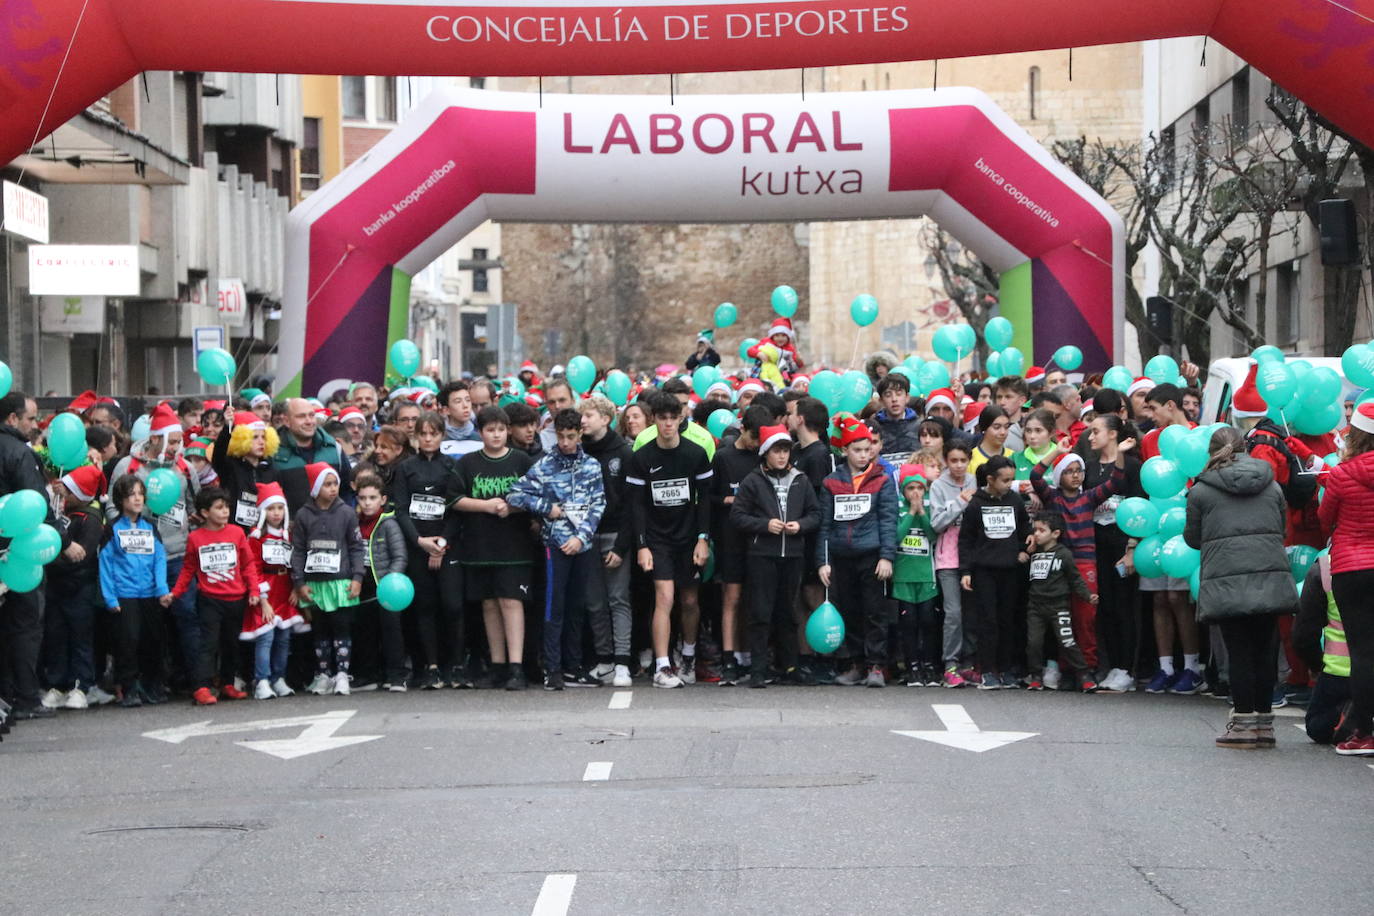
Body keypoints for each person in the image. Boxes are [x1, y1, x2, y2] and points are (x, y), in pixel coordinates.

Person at [1185, 425, 1296, 749]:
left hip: (1227, 580)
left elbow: (1193, 537)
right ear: (1245, 449)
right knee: (1264, 651)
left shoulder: (1201, 490)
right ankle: (1264, 725)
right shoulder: (1271, 485)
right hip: (1269, 575)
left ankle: (1243, 723)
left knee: (1239, 653)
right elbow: (1282, 528)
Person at [508, 408, 607, 690]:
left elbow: (598, 504)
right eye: (561, 437)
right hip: (555, 545)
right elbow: (515, 493)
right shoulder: (544, 465)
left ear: (579, 435)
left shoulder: (591, 466)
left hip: (582, 545)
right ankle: (553, 669)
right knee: (555, 608)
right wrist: (545, 508)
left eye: (571, 437)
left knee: (578, 607)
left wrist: (582, 537)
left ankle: (573, 667)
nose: (565, 442)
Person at [625, 392, 713, 688]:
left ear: (680, 419)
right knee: (664, 597)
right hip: (657, 538)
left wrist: (703, 539)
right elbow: (635, 505)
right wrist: (642, 545)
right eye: (661, 419)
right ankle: (662, 666)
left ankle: (688, 654)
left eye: (672, 419)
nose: (667, 425)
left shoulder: (695, 454)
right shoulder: (642, 457)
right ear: (655, 421)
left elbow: (705, 501)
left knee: (689, 599)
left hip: (688, 537)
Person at [1028, 441, 1131, 688]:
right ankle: (1066, 668)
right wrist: (1058, 450)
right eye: (1069, 471)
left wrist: (1119, 454)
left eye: (1079, 471)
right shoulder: (1052, 497)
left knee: (1085, 615)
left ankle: (1088, 666)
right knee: (1063, 616)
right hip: (1057, 562)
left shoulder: (1088, 498)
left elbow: (1116, 482)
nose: (1075, 475)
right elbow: (1035, 476)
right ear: (1059, 475)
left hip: (1085, 562)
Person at [730, 425, 819, 687]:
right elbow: (738, 515)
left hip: (792, 554)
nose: (781, 457)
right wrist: (763, 525)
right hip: (762, 554)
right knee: (760, 612)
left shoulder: (800, 479)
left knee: (788, 612)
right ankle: (758, 668)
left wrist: (801, 525)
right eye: (776, 451)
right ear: (765, 453)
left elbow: (815, 513)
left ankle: (790, 665)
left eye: (785, 451)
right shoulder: (753, 480)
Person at [454, 406, 536, 690]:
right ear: (481, 433)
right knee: (489, 604)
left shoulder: (521, 461)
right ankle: (498, 664)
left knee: (511, 602)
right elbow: (455, 499)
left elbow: (535, 497)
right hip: (479, 545)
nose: (497, 434)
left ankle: (517, 666)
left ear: (508, 430)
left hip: (514, 546)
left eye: (501, 429)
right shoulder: (467, 463)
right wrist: (486, 505)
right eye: (490, 430)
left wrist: (512, 508)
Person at [818, 416, 897, 688]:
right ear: (845, 451)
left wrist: (887, 556)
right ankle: (854, 664)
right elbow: (824, 525)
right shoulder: (831, 482)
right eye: (858, 450)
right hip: (841, 556)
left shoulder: (883, 480)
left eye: (868, 449)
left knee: (874, 612)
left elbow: (889, 521)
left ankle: (876, 665)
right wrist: (823, 561)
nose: (864, 455)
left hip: (871, 555)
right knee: (848, 611)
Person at [391, 412, 466, 690]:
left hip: (447, 546)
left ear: (442, 435)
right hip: (418, 545)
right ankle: (431, 666)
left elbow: (457, 508)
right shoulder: (406, 468)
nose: (428, 438)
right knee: (425, 607)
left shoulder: (451, 466)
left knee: (453, 605)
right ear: (416, 437)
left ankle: (456, 665)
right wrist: (420, 541)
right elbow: (400, 509)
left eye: (433, 433)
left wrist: (442, 544)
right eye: (423, 434)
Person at [169, 487, 263, 706]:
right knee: (208, 644)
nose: (225, 512)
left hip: (236, 598)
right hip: (210, 599)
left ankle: (227, 683)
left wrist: (254, 590)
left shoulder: (237, 533)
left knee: (231, 644)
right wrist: (175, 593)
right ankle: (201, 686)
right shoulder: (195, 538)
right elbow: (188, 569)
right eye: (219, 508)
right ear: (204, 512)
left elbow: (248, 564)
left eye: (227, 507)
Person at [1316, 401, 1374, 756]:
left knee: (1364, 654)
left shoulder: (1341, 473)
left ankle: (1363, 731)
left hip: (1352, 569)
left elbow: (1325, 520)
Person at [291, 464, 366, 697]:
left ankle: (342, 674)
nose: (333, 489)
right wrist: (299, 581)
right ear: (315, 487)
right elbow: (298, 550)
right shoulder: (303, 515)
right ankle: (324, 674)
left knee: (341, 628)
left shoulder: (346, 513)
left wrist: (357, 577)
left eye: (335, 484)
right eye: (327, 484)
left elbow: (355, 547)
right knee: (320, 630)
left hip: (340, 582)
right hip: (314, 584)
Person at [959, 455, 1032, 690]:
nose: (1008, 485)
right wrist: (966, 570)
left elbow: (1024, 529)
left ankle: (1007, 668)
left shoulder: (1015, 500)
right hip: (984, 571)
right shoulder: (976, 503)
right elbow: (966, 539)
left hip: (1010, 570)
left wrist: (1024, 549)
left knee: (1008, 620)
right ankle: (988, 669)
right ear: (990, 479)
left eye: (1011, 480)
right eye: (1004, 480)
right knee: (987, 621)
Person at [577, 395, 635, 688]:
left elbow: (630, 504)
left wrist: (622, 546)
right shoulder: (578, 451)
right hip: (587, 534)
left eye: (589, 415)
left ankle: (623, 661)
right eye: (582, 416)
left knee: (618, 598)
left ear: (605, 418)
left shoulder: (623, 452)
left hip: (614, 534)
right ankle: (604, 660)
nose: (583, 421)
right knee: (594, 601)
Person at [100, 475, 172, 708]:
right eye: (132, 494)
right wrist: (110, 597)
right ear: (121, 500)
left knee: (153, 640)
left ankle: (152, 685)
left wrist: (162, 589)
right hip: (125, 594)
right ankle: (129, 688)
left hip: (150, 594)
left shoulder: (150, 526)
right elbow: (105, 564)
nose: (138, 498)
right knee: (128, 642)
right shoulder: (112, 529)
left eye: (141, 493)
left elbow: (160, 559)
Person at [709, 405, 768, 684]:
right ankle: (729, 656)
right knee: (731, 598)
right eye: (754, 437)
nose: (757, 445)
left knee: (754, 600)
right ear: (742, 428)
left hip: (758, 538)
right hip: (730, 536)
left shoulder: (764, 459)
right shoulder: (723, 457)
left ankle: (750, 655)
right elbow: (709, 497)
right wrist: (728, 500)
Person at [1085, 414, 1144, 692]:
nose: (1091, 437)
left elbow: (1138, 505)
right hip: (1097, 544)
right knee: (1105, 606)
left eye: (1096, 431)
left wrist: (1132, 549)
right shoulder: (1088, 467)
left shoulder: (1132, 466)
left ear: (1113, 434)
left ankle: (1126, 668)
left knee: (1124, 607)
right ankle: (1112, 666)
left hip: (1123, 544)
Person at [41, 465, 107, 710]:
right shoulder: (62, 515)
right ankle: (57, 683)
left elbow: (82, 556)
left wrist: (52, 561)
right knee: (56, 636)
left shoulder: (90, 519)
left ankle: (81, 685)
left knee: (80, 637)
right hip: (57, 587)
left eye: (69, 491)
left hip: (79, 587)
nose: (64, 495)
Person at [242, 483, 304, 699]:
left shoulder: (289, 535)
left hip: (284, 590)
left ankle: (278, 678)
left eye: (279, 508)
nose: (276, 513)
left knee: (284, 638)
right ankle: (262, 680)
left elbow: (293, 564)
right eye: (271, 508)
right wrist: (263, 599)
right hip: (265, 592)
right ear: (262, 511)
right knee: (266, 637)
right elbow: (253, 567)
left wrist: (296, 588)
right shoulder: (256, 537)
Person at [1024, 513, 1099, 692]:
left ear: (1056, 533)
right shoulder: (1034, 551)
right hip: (1035, 606)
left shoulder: (1064, 554)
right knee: (1033, 642)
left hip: (1059, 607)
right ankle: (1035, 675)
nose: (1037, 534)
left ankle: (1084, 675)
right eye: (1035, 530)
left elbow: (1075, 579)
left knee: (1067, 641)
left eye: (1042, 530)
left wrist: (1088, 595)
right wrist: (1025, 552)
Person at [353, 473, 408, 692]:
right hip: (362, 585)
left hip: (387, 587)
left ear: (382, 500)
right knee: (365, 631)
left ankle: (396, 677)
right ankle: (369, 676)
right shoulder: (354, 523)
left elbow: (400, 556)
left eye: (372, 498)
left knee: (391, 632)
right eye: (363, 498)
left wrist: (390, 582)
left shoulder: (389, 524)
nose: (367, 503)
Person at [1292, 555, 1355, 746]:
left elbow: (1304, 634)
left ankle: (1357, 716)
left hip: (1340, 671)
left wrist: (1315, 665)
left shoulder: (1325, 567)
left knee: (1318, 727)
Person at [930, 440, 977, 687]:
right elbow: (936, 523)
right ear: (946, 461)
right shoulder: (938, 486)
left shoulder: (974, 481)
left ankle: (968, 662)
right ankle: (950, 663)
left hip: (972, 557)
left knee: (971, 612)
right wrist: (959, 502)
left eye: (963, 460)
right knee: (953, 613)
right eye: (953, 461)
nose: (959, 466)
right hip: (947, 558)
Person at [892, 464, 941, 687]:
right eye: (910, 488)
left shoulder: (929, 508)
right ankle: (911, 665)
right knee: (908, 622)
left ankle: (929, 664)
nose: (915, 493)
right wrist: (911, 512)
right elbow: (897, 536)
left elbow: (932, 535)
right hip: (903, 575)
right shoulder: (898, 508)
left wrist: (921, 513)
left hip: (926, 575)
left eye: (920, 488)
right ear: (903, 490)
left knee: (928, 621)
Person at [271, 398, 353, 512]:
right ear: (286, 421)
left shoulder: (334, 449)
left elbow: (347, 490)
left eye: (311, 415)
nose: (309, 421)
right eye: (301, 416)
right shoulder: (273, 453)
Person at [870, 373, 921, 457]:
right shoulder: (873, 428)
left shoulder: (920, 427)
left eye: (899, 394)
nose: (894, 399)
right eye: (888, 395)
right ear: (881, 400)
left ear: (907, 397)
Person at [968, 404, 1015, 479]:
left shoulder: (1013, 456)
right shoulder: (971, 459)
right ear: (984, 428)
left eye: (1006, 427)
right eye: (997, 427)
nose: (1003, 432)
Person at [993, 376, 1029, 451]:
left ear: (1022, 400)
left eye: (1008, 397)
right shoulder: (990, 430)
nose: (1002, 402)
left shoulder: (1030, 428)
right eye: (999, 397)